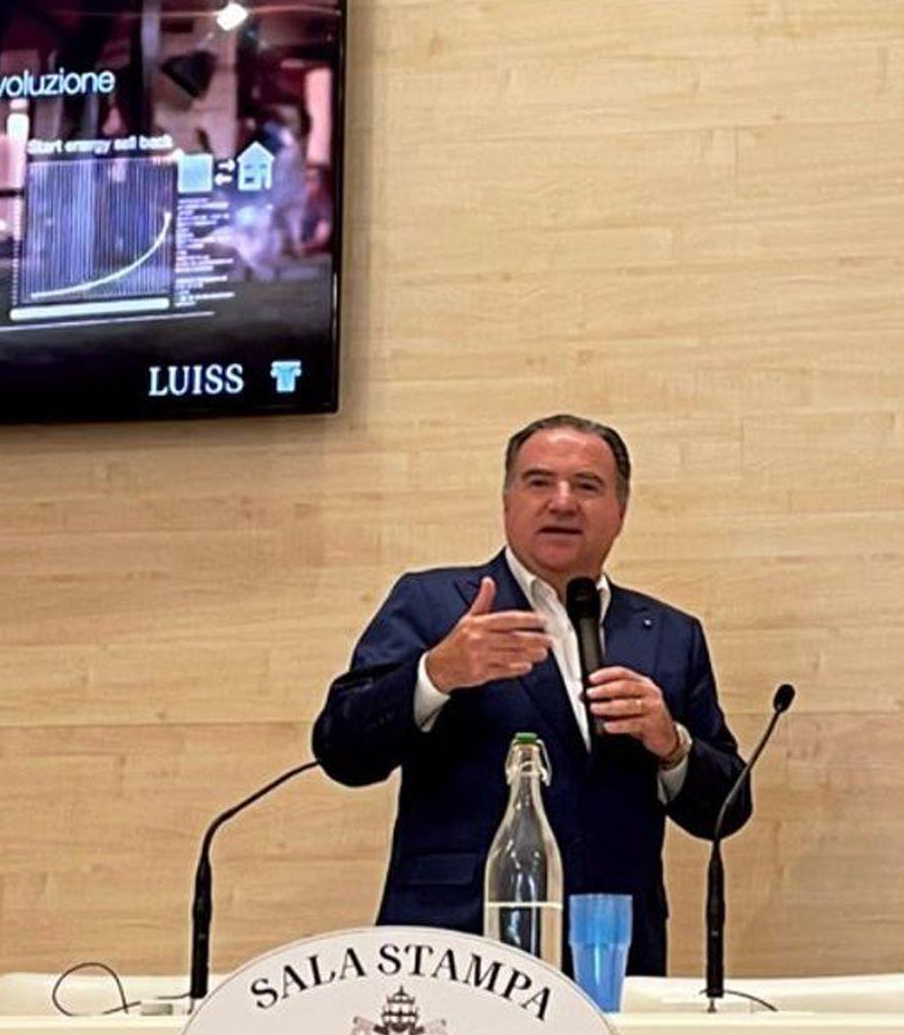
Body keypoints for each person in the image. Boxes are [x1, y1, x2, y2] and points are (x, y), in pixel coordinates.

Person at [311, 414, 751, 976]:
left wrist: (672, 744)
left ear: (620, 511)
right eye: (539, 482)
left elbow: (727, 810)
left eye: (586, 486)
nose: (562, 502)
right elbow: (342, 750)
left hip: (609, 954)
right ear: (507, 503)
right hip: (456, 949)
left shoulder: (669, 633)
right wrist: (435, 674)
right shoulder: (435, 604)